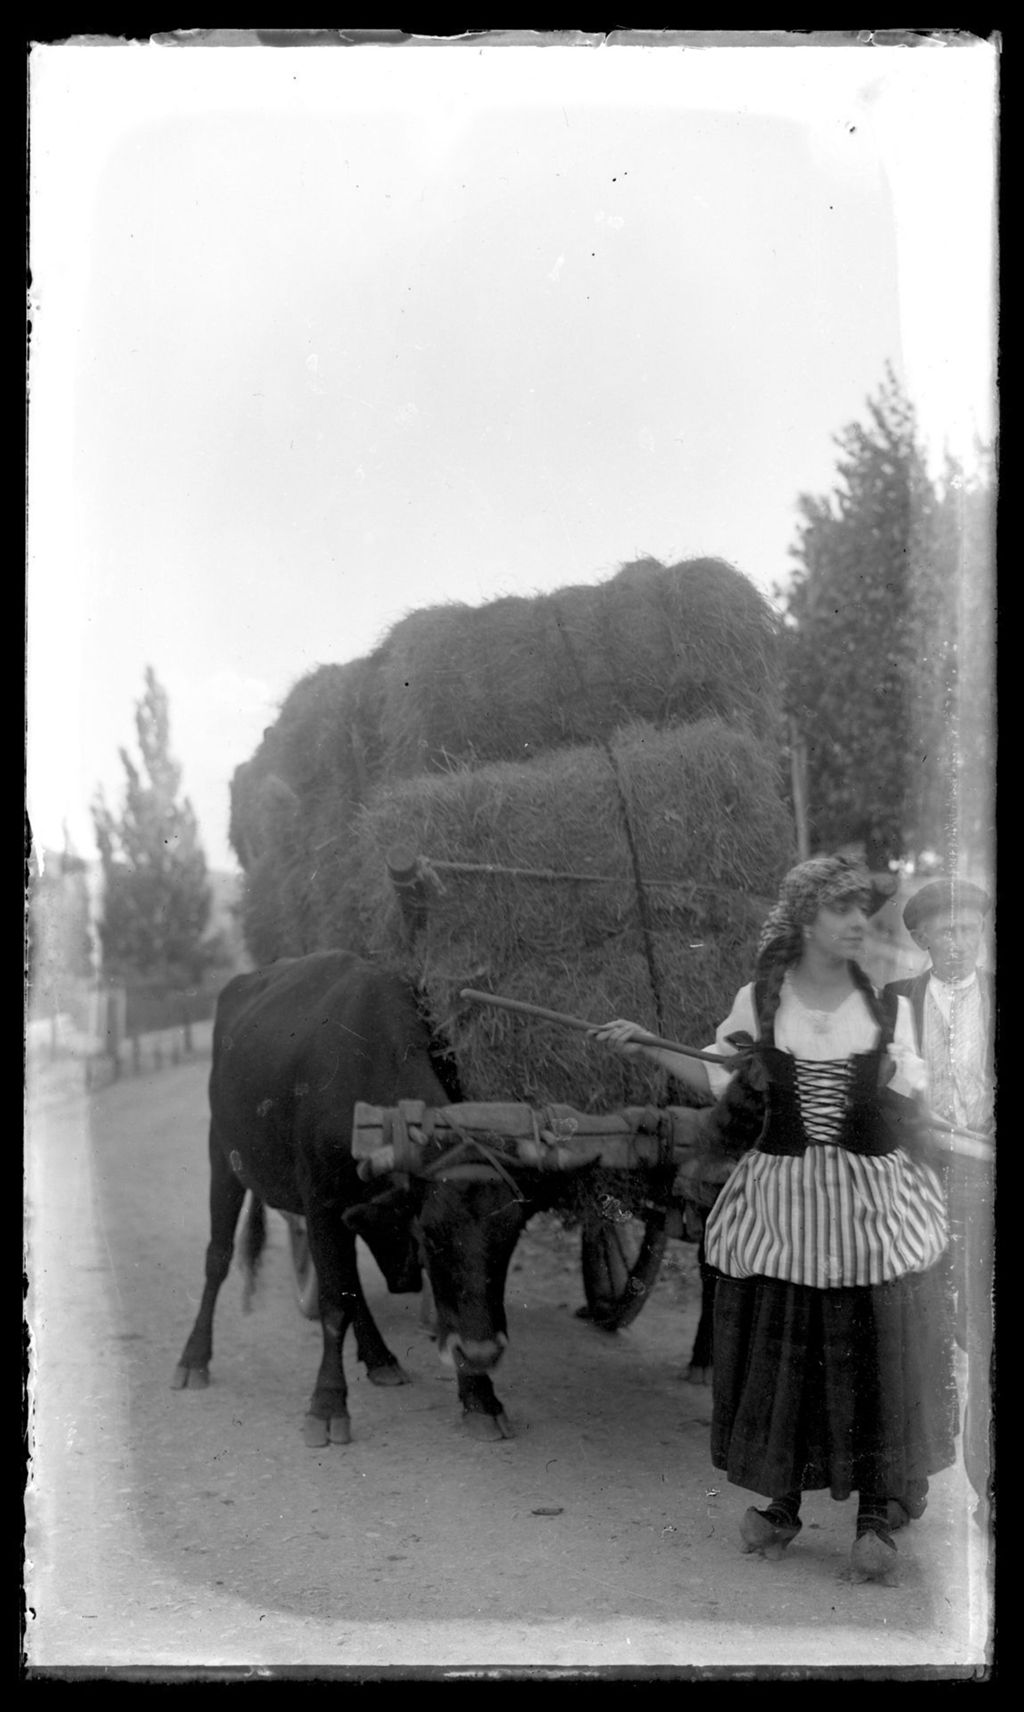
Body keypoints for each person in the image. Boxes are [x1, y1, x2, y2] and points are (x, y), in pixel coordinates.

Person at [593, 855, 958, 1585]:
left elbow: (915, 1106)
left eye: (866, 910)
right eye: (843, 910)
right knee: (791, 1350)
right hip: (785, 1204)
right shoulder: (758, 1004)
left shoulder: (890, 1010)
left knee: (872, 1349)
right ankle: (784, 1503)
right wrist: (648, 1046)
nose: (860, 923)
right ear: (804, 923)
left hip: (869, 1207)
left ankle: (877, 1512)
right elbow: (716, 1076)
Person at [884, 878, 994, 1519]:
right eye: (947, 931)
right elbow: (883, 1096)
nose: (961, 942)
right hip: (917, 1181)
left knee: (984, 1338)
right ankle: (905, 1487)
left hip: (985, 1182)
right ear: (921, 938)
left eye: (971, 929)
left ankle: (991, 1490)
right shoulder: (898, 1001)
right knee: (914, 1332)